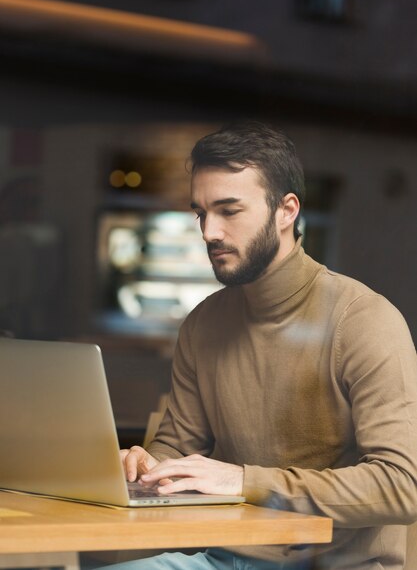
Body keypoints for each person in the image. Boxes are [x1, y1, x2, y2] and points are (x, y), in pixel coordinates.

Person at [118, 122, 417, 570]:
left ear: (286, 210)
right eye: (201, 213)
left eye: (229, 210)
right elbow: (177, 448)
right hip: (220, 556)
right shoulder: (202, 324)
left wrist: (244, 480)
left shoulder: (364, 320)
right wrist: (146, 466)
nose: (209, 232)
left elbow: (402, 487)